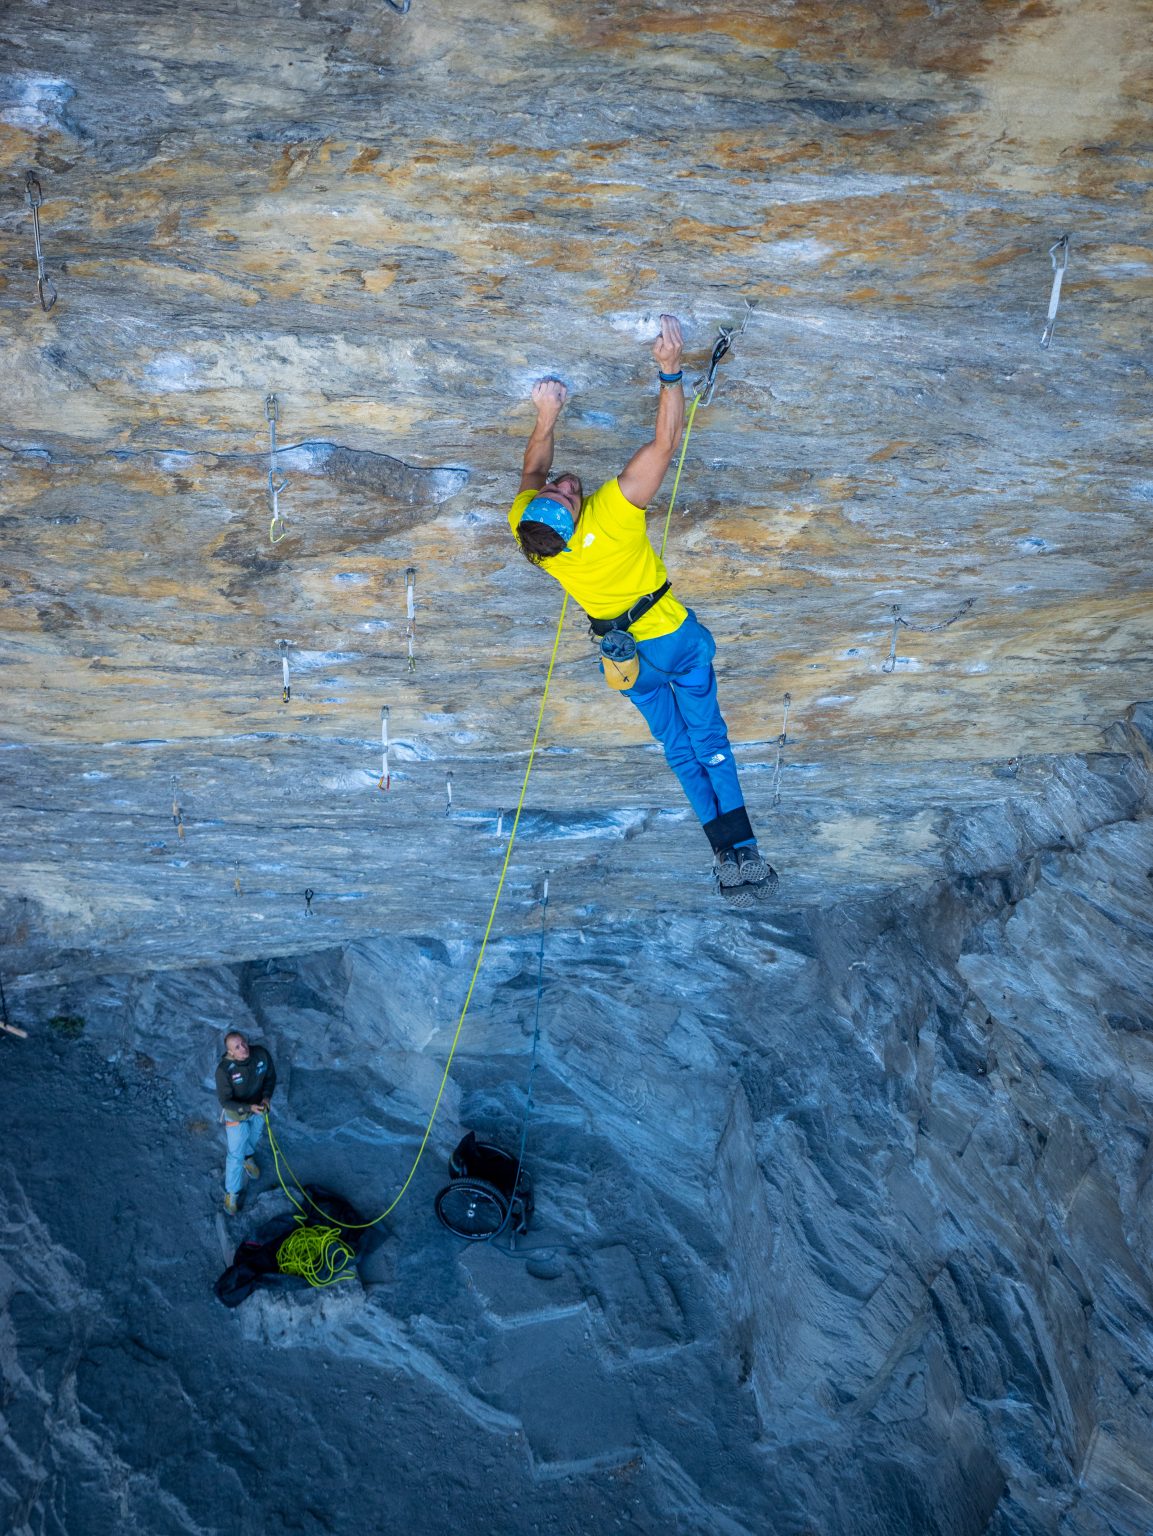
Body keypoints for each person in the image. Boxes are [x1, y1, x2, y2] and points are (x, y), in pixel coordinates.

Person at [509, 314, 776, 907]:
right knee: (709, 740)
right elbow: (665, 444)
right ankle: (743, 848)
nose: (565, 484)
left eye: (558, 488)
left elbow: (530, 470)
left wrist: (547, 416)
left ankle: (726, 854)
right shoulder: (613, 512)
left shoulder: (531, 533)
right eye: (568, 495)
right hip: (667, 641)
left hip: (625, 663)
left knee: (680, 750)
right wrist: (669, 370)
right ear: (575, 516)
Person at [215, 1031, 277, 1215]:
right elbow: (225, 1102)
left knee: (255, 1136)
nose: (243, 1048)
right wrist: (250, 1107)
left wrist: (266, 1098)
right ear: (230, 1053)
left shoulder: (260, 1054)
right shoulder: (224, 1071)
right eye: (237, 1047)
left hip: (258, 1107)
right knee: (235, 1155)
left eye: (243, 1043)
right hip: (238, 1115)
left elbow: (270, 1077)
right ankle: (232, 1193)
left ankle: (248, 1158)